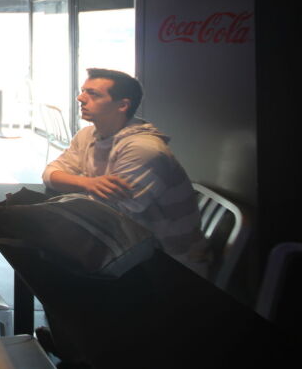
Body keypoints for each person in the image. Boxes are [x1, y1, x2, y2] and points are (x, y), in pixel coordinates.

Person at [43, 68, 209, 275]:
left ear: (122, 105)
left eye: (93, 94)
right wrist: (87, 183)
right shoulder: (88, 135)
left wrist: (76, 185)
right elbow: (50, 174)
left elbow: (109, 214)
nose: (80, 98)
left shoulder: (143, 149)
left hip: (166, 263)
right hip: (126, 249)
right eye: (83, 91)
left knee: (47, 263)